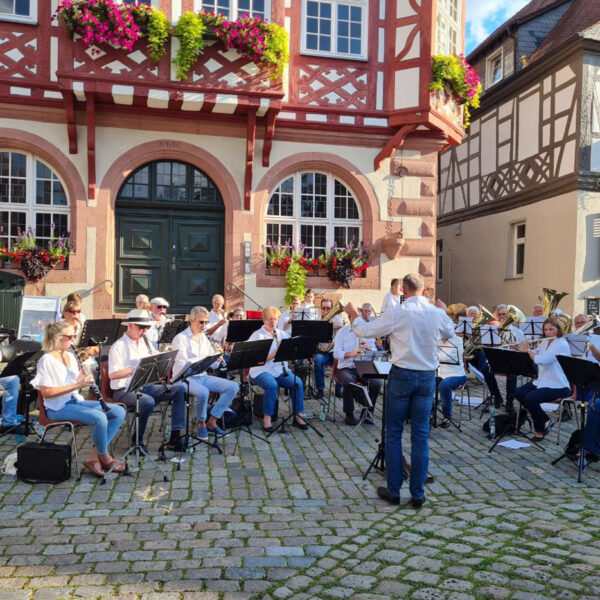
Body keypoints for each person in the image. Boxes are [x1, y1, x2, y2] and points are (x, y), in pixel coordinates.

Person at [347, 273, 455, 508]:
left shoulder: (398, 312)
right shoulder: (436, 313)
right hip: (427, 376)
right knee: (420, 434)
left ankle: (394, 490)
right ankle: (418, 493)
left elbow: (366, 331)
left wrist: (354, 316)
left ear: (403, 290)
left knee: (394, 432)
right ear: (424, 290)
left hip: (402, 373)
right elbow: (450, 333)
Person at [31, 321, 126, 477]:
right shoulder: (46, 360)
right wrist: (78, 385)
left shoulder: (69, 355)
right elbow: (47, 393)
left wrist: (83, 377)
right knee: (100, 417)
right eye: (69, 337)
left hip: (74, 401)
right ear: (56, 337)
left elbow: (74, 383)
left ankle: (94, 457)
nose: (73, 341)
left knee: (118, 411)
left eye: (74, 336)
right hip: (57, 408)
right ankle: (105, 457)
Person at [108, 309, 187, 451]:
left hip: (145, 386)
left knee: (180, 388)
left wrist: (164, 360)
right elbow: (112, 375)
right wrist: (136, 370)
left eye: (147, 327)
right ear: (130, 325)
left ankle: (175, 437)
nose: (144, 331)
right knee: (147, 401)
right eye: (141, 327)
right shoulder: (118, 346)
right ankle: (137, 439)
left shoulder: (146, 342)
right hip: (124, 389)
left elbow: (156, 358)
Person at [172, 306, 239, 440]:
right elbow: (184, 363)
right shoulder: (181, 338)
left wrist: (217, 358)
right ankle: (200, 422)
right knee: (203, 392)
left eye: (206, 322)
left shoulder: (204, 338)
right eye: (201, 322)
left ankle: (212, 421)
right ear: (192, 320)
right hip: (184, 378)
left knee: (233, 387)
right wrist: (206, 360)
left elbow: (212, 365)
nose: (204, 326)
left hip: (202, 376)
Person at [248, 306, 308, 433]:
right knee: (272, 385)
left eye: (275, 319)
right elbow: (256, 360)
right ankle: (267, 417)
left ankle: (298, 415)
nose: (272, 322)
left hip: (280, 370)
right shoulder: (257, 335)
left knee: (297, 383)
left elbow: (290, 353)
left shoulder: (282, 334)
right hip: (261, 371)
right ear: (264, 320)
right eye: (270, 319)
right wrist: (276, 353)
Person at [515, 317, 572, 440]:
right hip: (543, 381)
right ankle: (545, 419)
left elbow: (541, 360)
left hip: (558, 385)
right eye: (546, 329)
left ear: (558, 329)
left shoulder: (561, 343)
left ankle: (540, 429)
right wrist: (520, 348)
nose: (548, 332)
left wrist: (528, 350)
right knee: (519, 393)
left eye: (551, 329)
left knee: (531, 398)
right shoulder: (546, 341)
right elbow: (535, 351)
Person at [333, 322, 382, 425]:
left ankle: (368, 411)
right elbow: (336, 353)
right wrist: (350, 354)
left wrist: (368, 348)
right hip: (346, 367)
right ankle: (349, 413)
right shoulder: (342, 332)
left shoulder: (367, 332)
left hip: (364, 367)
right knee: (348, 382)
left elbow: (375, 354)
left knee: (376, 383)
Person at [495, 304, 525, 412]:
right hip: (497, 359)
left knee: (512, 372)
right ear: (496, 315)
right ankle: (497, 397)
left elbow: (522, 351)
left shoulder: (518, 332)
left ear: (509, 315)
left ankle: (509, 401)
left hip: (511, 360)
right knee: (485, 369)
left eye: (504, 314)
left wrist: (517, 348)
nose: (502, 317)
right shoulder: (493, 330)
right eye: (500, 314)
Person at [313, 298, 344, 399]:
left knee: (340, 360)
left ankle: (339, 389)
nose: (326, 310)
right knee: (317, 360)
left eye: (328, 308)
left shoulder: (337, 319)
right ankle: (320, 389)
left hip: (334, 350)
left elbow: (341, 325)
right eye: (323, 308)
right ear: (320, 309)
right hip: (322, 352)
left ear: (332, 309)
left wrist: (327, 326)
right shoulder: (317, 320)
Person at [437, 334, 467, 428]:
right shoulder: (437, 338)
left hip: (457, 374)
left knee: (444, 385)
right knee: (426, 382)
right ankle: (429, 413)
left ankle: (447, 416)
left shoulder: (457, 340)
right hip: (440, 373)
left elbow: (447, 357)